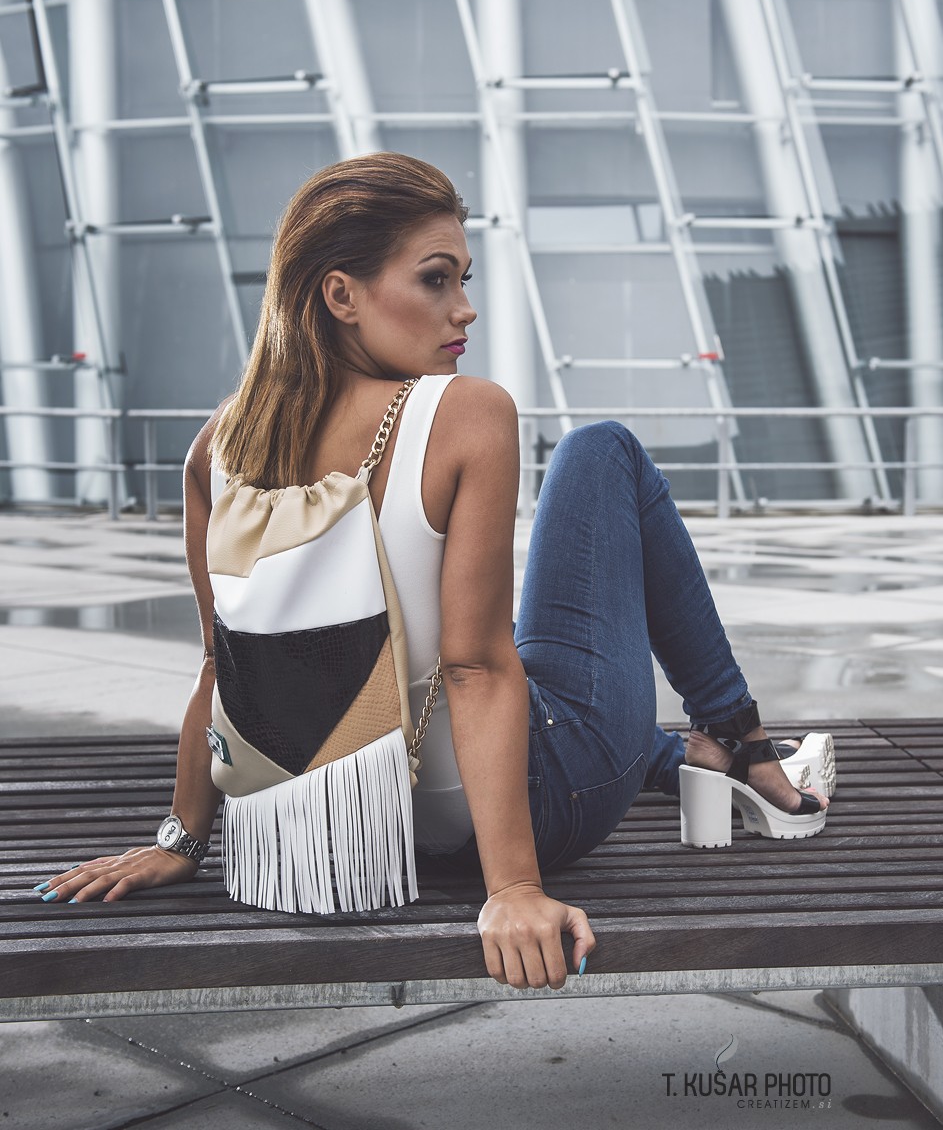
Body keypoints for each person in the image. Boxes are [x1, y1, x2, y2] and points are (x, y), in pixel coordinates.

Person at [34, 152, 828, 989]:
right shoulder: (465, 413)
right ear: (340, 295)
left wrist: (181, 841)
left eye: (463, 279)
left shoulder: (215, 446)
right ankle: (734, 740)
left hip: (362, 830)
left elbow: (219, 665)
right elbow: (474, 669)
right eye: (436, 279)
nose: (464, 307)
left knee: (478, 626)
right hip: (536, 805)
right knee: (601, 454)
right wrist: (513, 889)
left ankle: (680, 757)